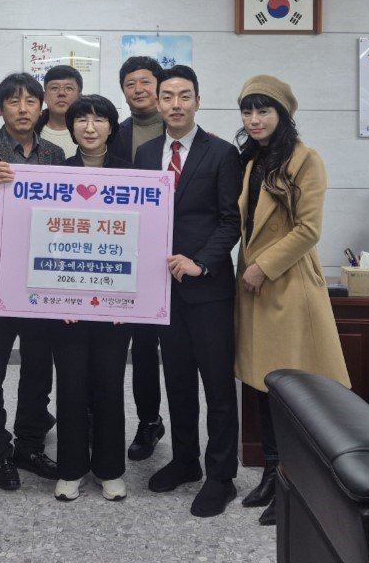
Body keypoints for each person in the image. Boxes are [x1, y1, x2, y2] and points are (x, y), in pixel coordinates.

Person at [234, 75, 351, 526]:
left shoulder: (305, 160)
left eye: (264, 110)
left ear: (283, 114)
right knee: (264, 386)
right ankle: (271, 473)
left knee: (291, 391)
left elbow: (309, 229)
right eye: (248, 111)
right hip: (254, 287)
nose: (254, 119)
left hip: (286, 285)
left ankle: (295, 481)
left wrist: (263, 266)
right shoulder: (252, 159)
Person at [135, 65, 242, 518]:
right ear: (157, 103)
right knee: (177, 381)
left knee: (217, 385)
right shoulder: (145, 154)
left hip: (208, 288)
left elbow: (231, 220)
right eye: (168, 96)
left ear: (197, 100)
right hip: (162, 291)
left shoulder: (222, 153)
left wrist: (201, 262)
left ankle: (221, 476)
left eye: (184, 96)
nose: (175, 104)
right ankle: (185, 461)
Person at [0, 72, 65, 491]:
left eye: (30, 101)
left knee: (38, 368)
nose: (23, 109)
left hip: (42, 279)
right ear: (1, 108)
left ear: (41, 107)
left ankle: (30, 446)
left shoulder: (55, 154)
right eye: (14, 102)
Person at [51, 95, 132, 502]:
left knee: (109, 386)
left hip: (116, 305)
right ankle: (70, 469)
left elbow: (142, 240)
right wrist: (59, 297)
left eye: (99, 119)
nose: (89, 126)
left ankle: (109, 469)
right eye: (81, 119)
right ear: (71, 128)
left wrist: (127, 300)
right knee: (70, 385)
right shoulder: (57, 175)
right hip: (66, 304)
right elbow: (47, 238)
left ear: (111, 127)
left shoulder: (132, 176)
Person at [110, 56, 167, 462]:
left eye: (145, 81)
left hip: (165, 255)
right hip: (119, 251)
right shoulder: (116, 133)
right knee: (120, 344)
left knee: (150, 347)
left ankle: (150, 421)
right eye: (130, 84)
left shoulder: (179, 131)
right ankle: (115, 422)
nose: (138, 89)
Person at [35, 65, 82, 158]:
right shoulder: (30, 131)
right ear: (44, 96)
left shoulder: (90, 132)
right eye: (54, 88)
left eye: (69, 88)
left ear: (79, 97)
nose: (61, 93)